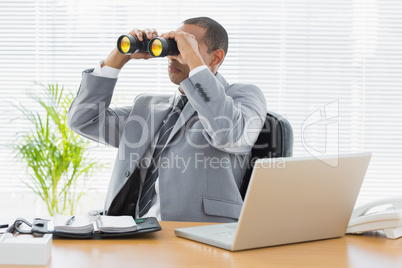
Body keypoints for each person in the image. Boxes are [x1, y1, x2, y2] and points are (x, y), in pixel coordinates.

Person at [67, 17, 267, 223]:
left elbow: (229, 134)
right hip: (130, 233)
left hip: (200, 235)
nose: (173, 56)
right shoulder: (148, 107)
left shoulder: (242, 96)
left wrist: (192, 58)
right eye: (173, 47)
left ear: (215, 58)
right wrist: (118, 57)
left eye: (185, 46)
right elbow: (84, 120)